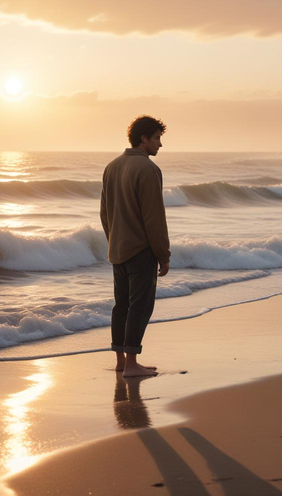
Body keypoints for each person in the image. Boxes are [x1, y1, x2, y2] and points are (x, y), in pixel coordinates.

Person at [100, 115, 170, 377]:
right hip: (141, 250)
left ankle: (121, 361)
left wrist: (114, 240)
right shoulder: (148, 170)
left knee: (121, 306)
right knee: (139, 307)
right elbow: (154, 218)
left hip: (118, 249)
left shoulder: (111, 166)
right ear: (144, 139)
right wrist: (163, 255)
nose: (160, 145)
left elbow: (104, 213)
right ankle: (131, 365)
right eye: (157, 138)